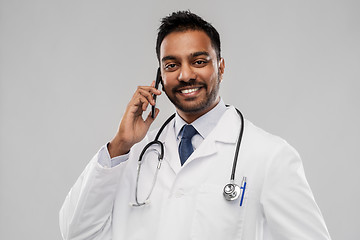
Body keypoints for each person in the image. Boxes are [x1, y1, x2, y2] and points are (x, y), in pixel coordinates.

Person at [59, 11, 331, 240]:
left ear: (221, 67)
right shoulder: (131, 157)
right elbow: (76, 232)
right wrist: (120, 145)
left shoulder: (270, 156)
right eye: (171, 65)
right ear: (160, 77)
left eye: (199, 62)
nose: (186, 75)